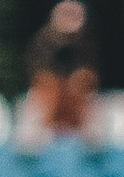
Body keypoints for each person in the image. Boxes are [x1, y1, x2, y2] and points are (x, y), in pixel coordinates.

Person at [25, 0, 98, 136]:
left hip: (74, 94)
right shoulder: (44, 39)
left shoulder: (84, 42)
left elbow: (88, 70)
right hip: (50, 92)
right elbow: (38, 69)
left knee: (83, 83)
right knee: (47, 86)